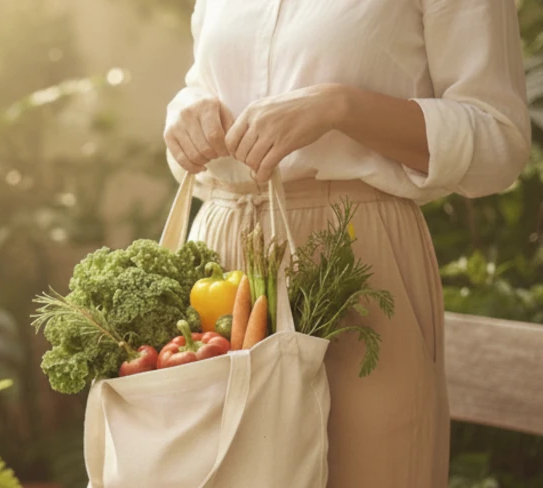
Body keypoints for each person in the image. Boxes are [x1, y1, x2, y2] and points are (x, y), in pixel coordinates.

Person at [163, 0, 530, 486]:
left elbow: (497, 140)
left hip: (355, 262)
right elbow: (207, 82)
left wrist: (340, 107)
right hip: (220, 264)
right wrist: (186, 115)